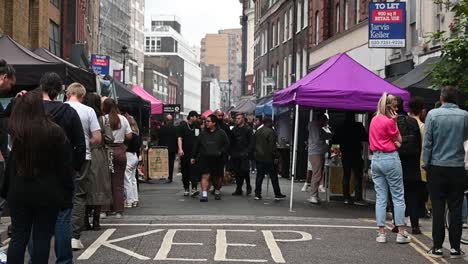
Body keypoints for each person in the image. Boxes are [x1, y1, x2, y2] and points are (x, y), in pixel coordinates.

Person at [3, 92, 72, 263]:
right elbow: (65, 167)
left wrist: (15, 101)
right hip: (47, 193)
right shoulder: (55, 132)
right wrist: (67, 195)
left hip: (19, 192)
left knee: (18, 237)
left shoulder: (17, 132)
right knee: (42, 238)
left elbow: (11, 166)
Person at [27, 73, 86, 263]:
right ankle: (63, 261)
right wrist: (75, 167)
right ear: (60, 90)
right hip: (62, 173)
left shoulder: (30, 110)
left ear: (41, 87)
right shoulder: (68, 112)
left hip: (33, 171)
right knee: (62, 218)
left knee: (35, 219)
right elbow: (80, 145)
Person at [423, 86, 468, 258]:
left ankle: (438, 247)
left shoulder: (433, 115)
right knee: (456, 208)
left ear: (441, 98)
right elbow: (465, 138)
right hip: (457, 167)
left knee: (438, 208)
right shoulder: (465, 116)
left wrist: (425, 163)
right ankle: (455, 248)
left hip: (437, 166)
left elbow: (428, 143)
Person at [369, 92, 410, 244]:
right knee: (398, 196)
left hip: (376, 159)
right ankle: (401, 233)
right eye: (395, 105)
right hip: (390, 158)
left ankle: (381, 234)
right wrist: (395, 123)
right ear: (391, 107)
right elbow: (399, 140)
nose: (398, 107)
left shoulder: (374, 120)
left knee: (380, 197)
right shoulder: (389, 121)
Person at [65, 83, 102, 250]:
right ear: (83, 96)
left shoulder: (59, 108)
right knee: (79, 196)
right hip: (83, 158)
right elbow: (98, 138)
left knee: (60, 194)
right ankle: (74, 237)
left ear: (68, 93)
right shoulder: (89, 111)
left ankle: (60, 233)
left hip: (59, 158)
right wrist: (85, 143)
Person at [394, 97, 424, 235]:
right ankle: (415, 226)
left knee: (397, 195)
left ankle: (397, 223)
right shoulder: (413, 122)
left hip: (397, 162)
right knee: (413, 195)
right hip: (413, 163)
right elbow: (419, 144)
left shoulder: (392, 122)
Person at [83, 93, 113, 230]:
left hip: (83, 153)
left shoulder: (81, 115)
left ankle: (84, 220)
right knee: (99, 186)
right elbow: (110, 138)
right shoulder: (102, 118)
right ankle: (96, 221)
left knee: (84, 186)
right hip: (98, 154)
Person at [102, 98, 132, 218]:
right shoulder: (123, 119)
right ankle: (118, 210)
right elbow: (129, 135)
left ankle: (104, 210)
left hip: (106, 151)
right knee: (118, 182)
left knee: (105, 182)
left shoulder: (103, 119)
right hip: (120, 151)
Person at [191, 114, 230, 201]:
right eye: (206, 121)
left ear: (214, 123)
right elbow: (196, 145)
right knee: (205, 176)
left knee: (217, 178)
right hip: (205, 158)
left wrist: (221, 152)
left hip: (217, 159)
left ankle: (217, 191)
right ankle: (204, 195)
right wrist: (193, 157)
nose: (206, 123)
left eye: (208, 121)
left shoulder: (221, 133)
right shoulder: (203, 133)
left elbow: (227, 144)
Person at [332, 112, 367, 204]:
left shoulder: (341, 126)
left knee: (346, 175)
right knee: (358, 175)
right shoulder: (358, 126)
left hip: (345, 152)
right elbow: (365, 137)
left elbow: (334, 140)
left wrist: (334, 154)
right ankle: (358, 196)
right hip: (356, 152)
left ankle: (346, 197)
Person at [254, 117, 286, 200]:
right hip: (268, 158)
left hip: (259, 156)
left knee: (259, 176)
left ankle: (257, 194)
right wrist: (277, 156)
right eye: (272, 122)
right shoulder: (271, 132)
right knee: (273, 176)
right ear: (269, 123)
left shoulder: (258, 131)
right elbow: (272, 147)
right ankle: (277, 193)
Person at [306, 113, 332, 204]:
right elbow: (318, 139)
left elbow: (325, 135)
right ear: (321, 119)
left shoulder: (317, 127)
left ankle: (315, 195)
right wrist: (326, 143)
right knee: (317, 174)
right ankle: (313, 195)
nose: (326, 123)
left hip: (318, 152)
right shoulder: (315, 126)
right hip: (316, 152)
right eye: (325, 121)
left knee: (318, 174)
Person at [177, 111, 201, 196]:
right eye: (196, 117)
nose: (197, 118)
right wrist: (180, 149)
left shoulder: (197, 126)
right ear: (191, 117)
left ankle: (194, 188)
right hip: (185, 152)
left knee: (194, 170)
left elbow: (199, 139)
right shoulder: (183, 126)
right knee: (185, 170)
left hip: (195, 153)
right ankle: (186, 188)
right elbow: (180, 138)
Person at [231, 113, 254, 196]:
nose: (237, 120)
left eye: (239, 118)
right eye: (236, 118)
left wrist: (247, 152)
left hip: (244, 153)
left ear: (243, 119)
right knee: (237, 172)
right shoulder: (234, 129)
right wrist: (232, 152)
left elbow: (251, 142)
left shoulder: (248, 129)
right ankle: (239, 188)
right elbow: (232, 141)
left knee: (245, 171)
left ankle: (248, 186)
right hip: (236, 153)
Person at [123, 111, 141, 208]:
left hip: (128, 155)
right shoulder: (137, 134)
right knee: (133, 179)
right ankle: (135, 199)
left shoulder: (129, 135)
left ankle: (129, 200)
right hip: (135, 156)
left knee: (127, 179)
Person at [158, 114, 178, 183]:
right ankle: (170, 177)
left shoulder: (162, 128)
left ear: (166, 120)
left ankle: (163, 175)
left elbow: (159, 138)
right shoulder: (175, 128)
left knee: (163, 162)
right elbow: (176, 139)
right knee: (171, 163)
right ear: (171, 120)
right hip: (172, 148)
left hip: (163, 148)